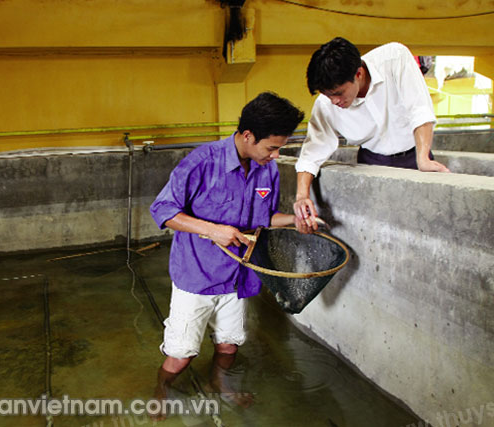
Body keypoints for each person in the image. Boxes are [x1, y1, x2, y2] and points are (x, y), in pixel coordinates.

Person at [149, 92, 304, 416]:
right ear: (248, 136)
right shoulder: (202, 162)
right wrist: (211, 229)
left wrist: (294, 220)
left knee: (229, 343)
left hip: (237, 276)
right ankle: (161, 388)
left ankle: (220, 382)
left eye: (280, 148)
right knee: (181, 353)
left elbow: (262, 218)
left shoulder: (268, 171)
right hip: (197, 275)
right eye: (271, 147)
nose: (276, 156)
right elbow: (162, 209)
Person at [294, 37, 450, 233]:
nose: (334, 101)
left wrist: (423, 157)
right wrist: (301, 196)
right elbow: (312, 152)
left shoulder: (394, 58)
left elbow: (419, 109)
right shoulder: (326, 105)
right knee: (380, 231)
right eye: (327, 95)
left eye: (339, 93)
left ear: (358, 73)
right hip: (371, 162)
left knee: (426, 226)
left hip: (415, 157)